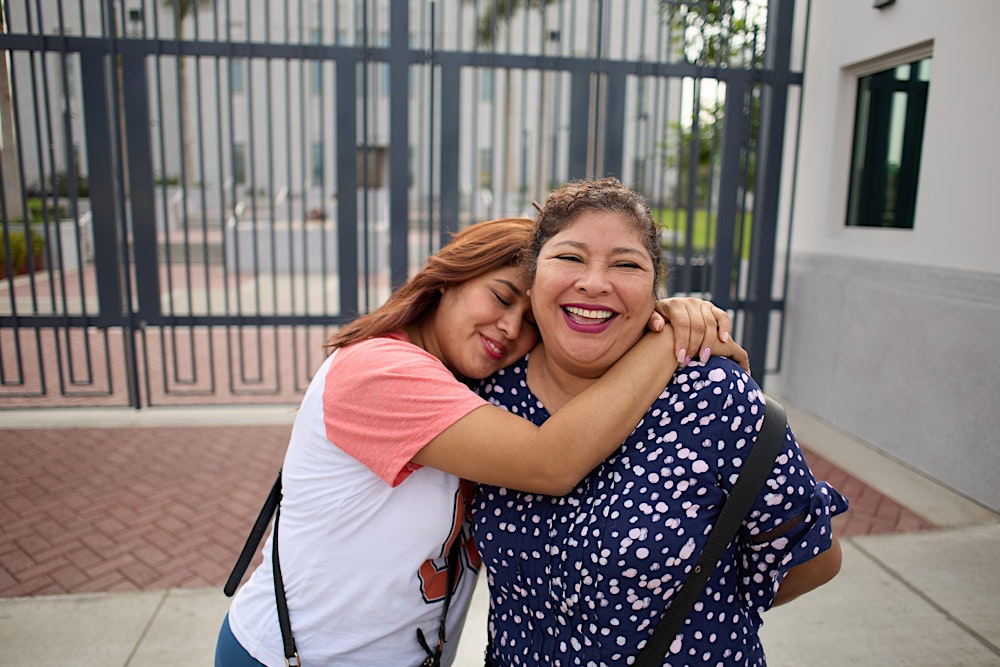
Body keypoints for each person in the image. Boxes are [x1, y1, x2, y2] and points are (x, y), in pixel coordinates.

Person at [216, 216, 747, 667]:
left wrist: (652, 313)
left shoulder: (477, 385)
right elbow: (551, 462)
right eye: (500, 296)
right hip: (290, 657)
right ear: (448, 279)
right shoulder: (378, 372)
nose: (510, 328)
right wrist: (665, 342)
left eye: (531, 321)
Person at [473, 178, 848, 666]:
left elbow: (813, 561)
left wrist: (700, 616)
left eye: (627, 265)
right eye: (569, 257)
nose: (594, 282)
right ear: (532, 276)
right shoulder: (489, 394)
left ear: (655, 290)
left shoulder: (713, 396)